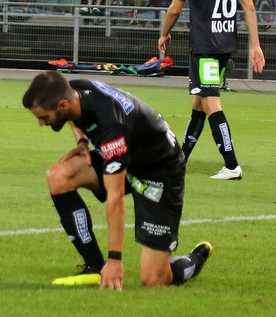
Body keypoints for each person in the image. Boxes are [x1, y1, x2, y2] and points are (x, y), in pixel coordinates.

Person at [22, 71, 215, 289]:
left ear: (64, 105)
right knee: (58, 176)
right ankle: (95, 266)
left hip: (160, 171)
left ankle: (195, 258)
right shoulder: (72, 91)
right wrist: (83, 141)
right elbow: (73, 117)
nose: (40, 123)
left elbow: (116, 196)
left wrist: (115, 259)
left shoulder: (111, 122)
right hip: (126, 155)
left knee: (153, 279)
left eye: (43, 117)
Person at [159, 0, 265, 180]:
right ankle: (180, 159)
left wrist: (163, 33)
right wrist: (256, 45)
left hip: (205, 46)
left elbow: (174, 8)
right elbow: (250, 8)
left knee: (210, 102)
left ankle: (231, 165)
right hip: (225, 45)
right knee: (199, 102)